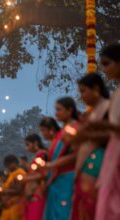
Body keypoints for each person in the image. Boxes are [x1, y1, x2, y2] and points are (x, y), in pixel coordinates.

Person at [75, 43, 120, 220]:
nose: (104, 69)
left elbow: (111, 131)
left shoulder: (108, 104)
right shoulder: (117, 94)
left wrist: (100, 127)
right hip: (112, 156)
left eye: (107, 63)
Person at [70, 73, 109, 220]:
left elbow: (111, 135)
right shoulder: (91, 114)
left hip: (103, 161)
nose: (82, 96)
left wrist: (87, 135)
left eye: (83, 91)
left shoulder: (108, 108)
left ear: (96, 89)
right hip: (86, 162)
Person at [42, 97, 78, 220]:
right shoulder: (61, 133)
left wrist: (52, 165)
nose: (56, 113)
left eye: (59, 110)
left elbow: (76, 154)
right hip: (56, 180)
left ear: (70, 110)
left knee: (64, 214)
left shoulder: (76, 128)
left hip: (67, 178)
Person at [23, 133, 48, 220]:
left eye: (28, 145)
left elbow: (44, 173)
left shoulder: (42, 155)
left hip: (39, 191)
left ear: (36, 143)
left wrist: (26, 178)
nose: (27, 148)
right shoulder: (38, 156)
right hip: (34, 192)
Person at [1, 154, 26, 220]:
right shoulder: (10, 174)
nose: (8, 168)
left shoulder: (20, 172)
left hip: (17, 204)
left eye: (8, 165)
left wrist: (5, 191)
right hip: (9, 206)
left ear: (14, 163)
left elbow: (19, 190)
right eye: (6, 166)